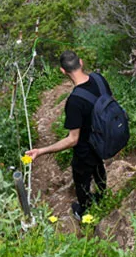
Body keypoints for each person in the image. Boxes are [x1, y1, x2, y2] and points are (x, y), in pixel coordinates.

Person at [26, 50, 108, 219]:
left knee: (81, 178)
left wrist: (40, 151)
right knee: (99, 166)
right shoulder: (99, 79)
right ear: (81, 62)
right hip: (103, 138)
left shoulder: (75, 101)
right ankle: (103, 195)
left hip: (86, 148)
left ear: (63, 71)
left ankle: (83, 210)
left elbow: (72, 139)